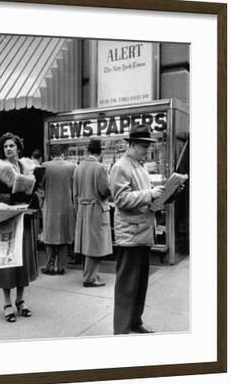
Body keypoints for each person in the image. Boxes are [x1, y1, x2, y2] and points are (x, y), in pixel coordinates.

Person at [110, 124, 166, 334]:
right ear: (132, 145)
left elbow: (140, 198)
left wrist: (163, 196)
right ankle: (121, 329)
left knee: (140, 284)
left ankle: (134, 321)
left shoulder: (139, 166)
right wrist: (150, 194)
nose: (146, 151)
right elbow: (121, 199)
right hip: (130, 234)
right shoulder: (121, 166)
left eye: (147, 147)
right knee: (127, 285)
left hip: (142, 232)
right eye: (143, 146)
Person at [0, 132, 39, 323]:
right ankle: (7, 302)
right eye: (6, 146)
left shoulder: (27, 167)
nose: (8, 149)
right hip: (7, 220)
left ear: (18, 148)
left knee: (22, 261)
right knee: (8, 262)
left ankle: (20, 300)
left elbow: (37, 192)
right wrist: (11, 198)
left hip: (25, 219)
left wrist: (32, 194)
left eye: (12, 146)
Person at [73, 138, 113, 287]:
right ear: (100, 152)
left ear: (87, 151)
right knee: (95, 244)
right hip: (96, 208)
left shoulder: (78, 167)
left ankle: (90, 274)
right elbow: (104, 191)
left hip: (82, 209)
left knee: (86, 243)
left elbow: (75, 193)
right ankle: (90, 278)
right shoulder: (101, 167)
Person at [41, 144, 76, 276]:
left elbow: (39, 186)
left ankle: (49, 266)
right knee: (64, 236)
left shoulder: (44, 166)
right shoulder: (72, 167)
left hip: (50, 206)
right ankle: (61, 266)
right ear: (63, 154)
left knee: (50, 237)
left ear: (50, 155)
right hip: (67, 206)